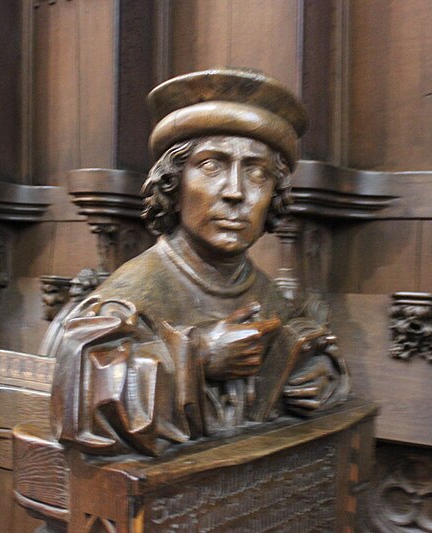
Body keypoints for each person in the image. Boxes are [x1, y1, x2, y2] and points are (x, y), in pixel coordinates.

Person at [46, 69, 350, 456]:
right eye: (212, 166)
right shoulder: (126, 299)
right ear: (173, 183)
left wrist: (322, 377)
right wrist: (199, 356)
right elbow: (82, 400)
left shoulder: (272, 299)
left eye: (257, 173)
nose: (236, 192)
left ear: (274, 195)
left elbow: (312, 357)